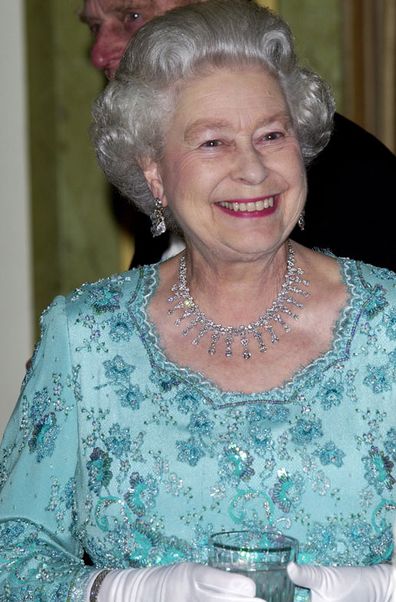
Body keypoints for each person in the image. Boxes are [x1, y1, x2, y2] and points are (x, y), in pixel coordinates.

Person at [0, 2, 395, 601]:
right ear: (156, 174)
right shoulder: (85, 337)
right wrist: (124, 592)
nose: (253, 169)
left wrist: (379, 588)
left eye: (271, 135)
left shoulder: (390, 323)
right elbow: (12, 554)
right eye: (212, 142)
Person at [79, 0, 396, 272]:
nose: (99, 54)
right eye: (94, 27)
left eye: (133, 16)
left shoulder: (361, 183)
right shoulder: (173, 174)